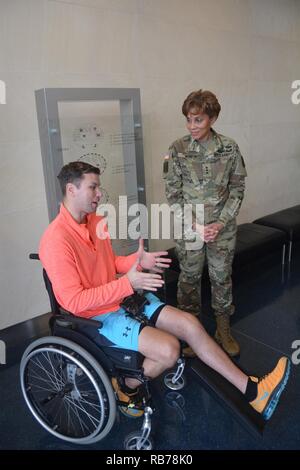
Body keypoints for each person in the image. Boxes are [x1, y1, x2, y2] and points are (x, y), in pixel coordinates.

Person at [39, 161, 290, 420]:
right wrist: (128, 283)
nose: (99, 194)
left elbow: (109, 262)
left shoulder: (95, 222)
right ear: (71, 189)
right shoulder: (55, 240)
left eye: (98, 187)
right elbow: (74, 301)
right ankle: (125, 386)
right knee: (169, 350)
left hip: (119, 298)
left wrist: (137, 263)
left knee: (189, 324)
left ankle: (253, 392)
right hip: (93, 317)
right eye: (93, 188)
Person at [164, 89, 247, 357]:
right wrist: (196, 226)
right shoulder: (177, 149)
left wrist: (220, 224)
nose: (192, 126)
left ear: (211, 118)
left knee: (221, 277)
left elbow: (237, 189)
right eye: (189, 120)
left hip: (222, 229)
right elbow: (173, 195)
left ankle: (223, 328)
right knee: (188, 278)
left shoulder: (229, 148)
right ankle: (189, 331)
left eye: (198, 120)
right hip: (190, 229)